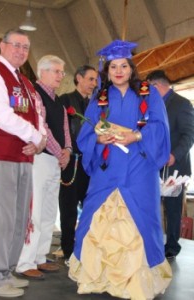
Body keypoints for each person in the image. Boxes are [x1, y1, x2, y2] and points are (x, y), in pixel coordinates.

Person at [68, 40, 172, 299]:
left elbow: (160, 127)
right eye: (113, 66)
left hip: (139, 165)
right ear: (107, 70)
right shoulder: (99, 97)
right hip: (108, 167)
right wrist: (98, 138)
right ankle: (99, 277)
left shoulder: (148, 93)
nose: (118, 71)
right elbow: (88, 130)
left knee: (140, 218)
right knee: (96, 215)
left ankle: (136, 282)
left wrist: (136, 136)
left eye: (123, 66)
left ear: (131, 68)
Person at [0, 29, 47, 298]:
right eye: (15, 45)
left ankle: (5, 272)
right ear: (2, 46)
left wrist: (39, 141)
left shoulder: (25, 83)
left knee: (18, 219)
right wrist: (34, 136)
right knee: (0, 220)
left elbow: (38, 115)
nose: (20, 50)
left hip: (23, 156)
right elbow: (0, 115)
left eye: (26, 47)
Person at [16, 55, 72, 279]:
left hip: (54, 161)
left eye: (62, 72)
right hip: (38, 160)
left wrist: (67, 149)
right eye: (56, 71)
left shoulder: (57, 100)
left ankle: (40, 256)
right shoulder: (34, 95)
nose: (60, 76)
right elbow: (42, 127)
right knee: (35, 212)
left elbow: (65, 126)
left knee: (49, 212)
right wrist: (61, 152)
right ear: (43, 72)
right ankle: (24, 261)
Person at [146, 70, 194, 260]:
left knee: (173, 209)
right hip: (152, 166)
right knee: (151, 205)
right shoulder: (150, 105)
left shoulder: (182, 103)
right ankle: (153, 242)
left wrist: (175, 155)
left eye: (148, 88)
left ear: (157, 85)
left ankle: (172, 247)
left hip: (174, 168)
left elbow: (189, 135)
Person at [59, 65, 97, 264]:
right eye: (90, 79)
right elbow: (61, 130)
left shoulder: (97, 104)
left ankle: (87, 247)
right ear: (78, 78)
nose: (94, 83)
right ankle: (67, 250)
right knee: (69, 208)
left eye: (95, 80)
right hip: (72, 162)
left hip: (91, 163)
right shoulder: (65, 100)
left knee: (91, 207)